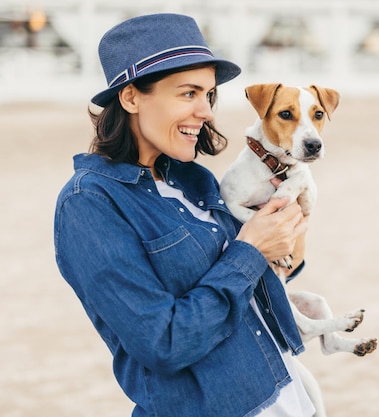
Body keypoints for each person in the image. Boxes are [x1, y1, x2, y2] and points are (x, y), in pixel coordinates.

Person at [53, 13, 316, 417]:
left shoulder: (193, 180)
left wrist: (289, 226)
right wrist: (250, 249)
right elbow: (163, 341)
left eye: (208, 95)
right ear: (131, 97)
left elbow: (269, 274)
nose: (207, 111)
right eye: (188, 93)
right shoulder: (89, 204)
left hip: (289, 398)